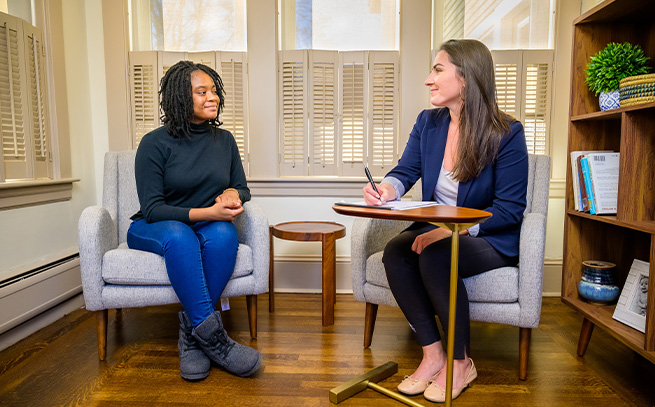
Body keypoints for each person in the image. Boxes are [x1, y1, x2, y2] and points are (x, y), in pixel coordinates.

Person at [362, 39, 528, 402]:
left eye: (438, 70)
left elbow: (510, 209)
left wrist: (450, 231)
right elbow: (406, 169)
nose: (428, 80)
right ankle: (432, 353)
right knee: (396, 253)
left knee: (438, 256)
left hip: (489, 237)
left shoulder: (507, 133)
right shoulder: (429, 122)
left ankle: (461, 361)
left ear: (466, 78)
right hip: (437, 229)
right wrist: (388, 188)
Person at [127, 60, 262, 381]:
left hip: (203, 223)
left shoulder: (225, 140)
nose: (212, 97)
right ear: (180, 98)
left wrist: (232, 193)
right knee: (180, 235)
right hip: (155, 226)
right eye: (202, 92)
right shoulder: (154, 144)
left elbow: (242, 188)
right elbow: (153, 209)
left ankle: (191, 336)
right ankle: (217, 341)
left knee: (226, 235)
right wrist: (208, 213)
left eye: (214, 90)